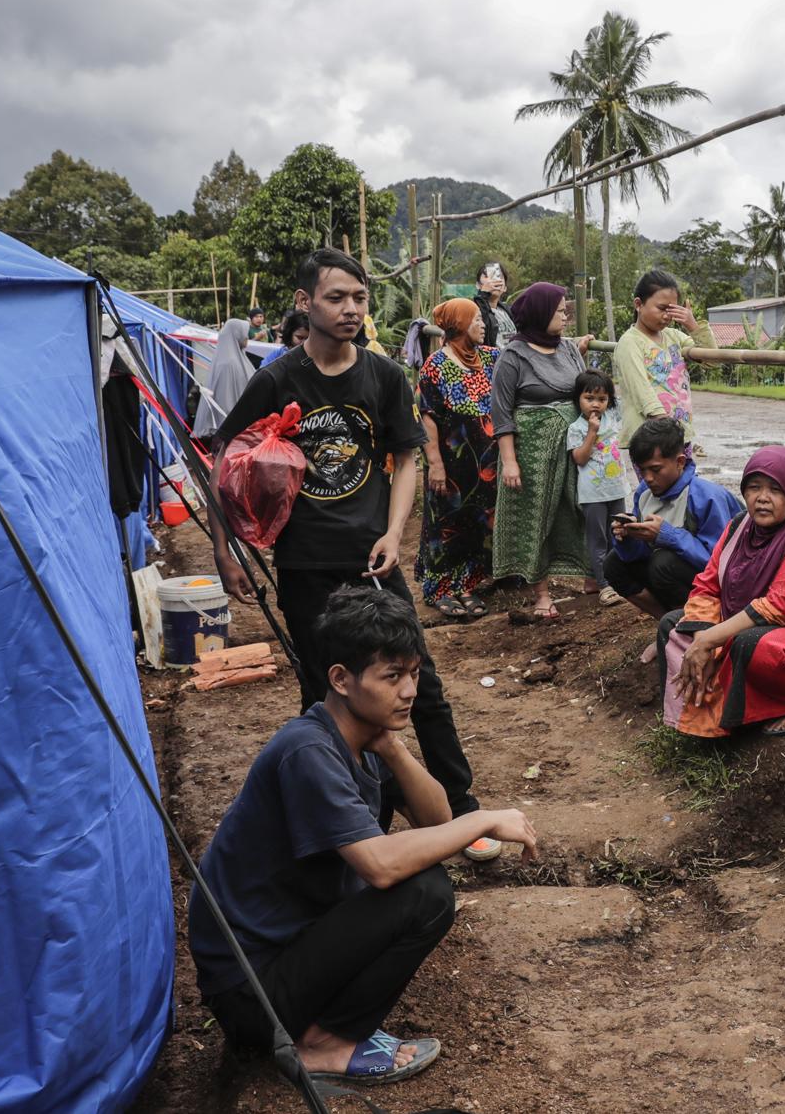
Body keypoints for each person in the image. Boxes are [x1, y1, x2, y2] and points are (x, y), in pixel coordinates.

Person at [188, 588, 540, 1087]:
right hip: (253, 995)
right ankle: (322, 1045)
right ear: (341, 679)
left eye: (414, 673)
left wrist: (394, 750)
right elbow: (381, 866)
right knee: (426, 893)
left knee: (424, 882)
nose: (409, 691)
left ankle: (324, 1028)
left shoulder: (361, 737)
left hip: (288, 957)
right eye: (392, 676)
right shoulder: (307, 751)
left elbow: (437, 823)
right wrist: (480, 820)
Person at [211, 249, 493, 860]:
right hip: (305, 562)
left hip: (374, 562)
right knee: (326, 694)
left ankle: (463, 813)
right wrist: (224, 546)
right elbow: (224, 456)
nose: (350, 310)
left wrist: (395, 533)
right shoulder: (277, 378)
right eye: (336, 298)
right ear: (305, 303)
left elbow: (408, 459)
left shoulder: (385, 377)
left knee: (424, 686)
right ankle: (356, 824)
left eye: (359, 299)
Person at [671, 447, 785, 738]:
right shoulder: (739, 526)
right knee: (675, 627)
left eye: (775, 489)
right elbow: (707, 585)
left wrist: (711, 639)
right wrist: (702, 639)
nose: (762, 497)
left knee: (753, 644)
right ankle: (704, 714)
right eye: (753, 487)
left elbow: (779, 607)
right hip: (764, 628)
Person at [491, 282, 594, 619]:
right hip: (532, 453)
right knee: (538, 517)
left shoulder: (567, 349)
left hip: (574, 447)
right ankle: (542, 595)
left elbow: (581, 388)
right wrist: (510, 462)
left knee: (581, 508)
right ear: (539, 313)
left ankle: (593, 579)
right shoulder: (513, 356)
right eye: (559, 310)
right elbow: (502, 414)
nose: (565, 316)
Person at [604, 418, 740, 621]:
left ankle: (701, 622)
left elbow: (722, 564)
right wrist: (628, 538)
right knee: (613, 563)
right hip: (678, 578)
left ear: (679, 462)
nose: (648, 478)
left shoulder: (706, 496)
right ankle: (669, 623)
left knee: (663, 562)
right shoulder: (644, 494)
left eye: (656, 469)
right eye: (642, 470)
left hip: (726, 585)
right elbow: (638, 556)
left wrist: (667, 535)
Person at [415, 298, 497, 620]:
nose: (482, 325)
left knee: (476, 521)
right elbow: (427, 416)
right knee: (444, 524)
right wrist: (434, 463)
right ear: (459, 324)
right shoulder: (435, 365)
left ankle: (467, 585)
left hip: (485, 466)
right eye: (476, 319)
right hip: (450, 464)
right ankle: (440, 590)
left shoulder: (491, 359)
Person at [614, 268, 711, 454]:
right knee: (658, 483)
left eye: (671, 310)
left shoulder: (674, 336)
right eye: (661, 308)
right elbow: (641, 390)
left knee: (683, 483)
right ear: (638, 304)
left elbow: (710, 359)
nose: (667, 315)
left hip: (679, 435)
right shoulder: (630, 342)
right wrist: (665, 425)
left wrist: (693, 326)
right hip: (650, 439)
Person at [566, 369, 631, 606]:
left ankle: (619, 581)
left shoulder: (612, 416)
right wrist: (592, 433)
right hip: (592, 494)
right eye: (589, 398)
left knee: (618, 536)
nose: (596, 404)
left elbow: (625, 393)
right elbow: (580, 458)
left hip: (617, 489)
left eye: (602, 399)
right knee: (598, 540)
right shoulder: (577, 428)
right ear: (578, 399)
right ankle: (605, 586)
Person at [193, 317, 257, 446]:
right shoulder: (229, 364)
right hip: (233, 431)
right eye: (244, 333)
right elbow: (226, 400)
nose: (247, 337)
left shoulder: (237, 358)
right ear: (236, 334)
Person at [474, 262, 516, 348]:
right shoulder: (473, 309)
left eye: (498, 277)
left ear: (504, 288)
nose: (493, 281)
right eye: (487, 276)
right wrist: (484, 294)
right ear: (478, 285)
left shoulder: (509, 311)